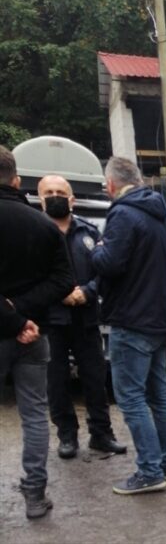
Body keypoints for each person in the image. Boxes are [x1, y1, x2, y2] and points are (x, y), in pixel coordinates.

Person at [91, 156, 166, 496]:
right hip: (159, 320)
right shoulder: (162, 216)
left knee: (130, 398)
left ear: (110, 185)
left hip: (132, 321)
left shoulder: (123, 214)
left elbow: (110, 263)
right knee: (159, 397)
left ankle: (149, 471)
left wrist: (96, 249)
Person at [0, 146, 73, 519]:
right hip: (33, 335)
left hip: (16, 329)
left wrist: (13, 316)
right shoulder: (43, 224)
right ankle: (34, 495)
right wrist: (23, 317)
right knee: (34, 414)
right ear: (16, 181)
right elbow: (64, 279)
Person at [37, 175, 126, 459]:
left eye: (60, 192)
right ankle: (67, 436)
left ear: (71, 198)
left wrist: (87, 291)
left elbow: (104, 270)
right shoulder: (35, 233)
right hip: (51, 319)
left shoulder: (88, 232)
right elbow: (28, 276)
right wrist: (58, 294)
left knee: (95, 378)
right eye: (49, 192)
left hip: (86, 317)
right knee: (56, 381)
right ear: (40, 198)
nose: (55, 196)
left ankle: (101, 434)